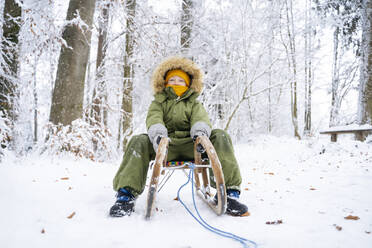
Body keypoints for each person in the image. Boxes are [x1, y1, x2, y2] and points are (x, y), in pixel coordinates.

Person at [110, 56, 248, 217]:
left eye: (180, 80)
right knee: (138, 140)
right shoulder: (158, 103)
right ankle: (125, 196)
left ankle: (229, 193)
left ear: (188, 84)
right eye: (172, 80)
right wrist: (159, 138)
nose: (176, 83)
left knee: (220, 135)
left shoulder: (194, 104)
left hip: (194, 146)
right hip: (164, 147)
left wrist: (200, 136)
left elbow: (200, 119)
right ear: (165, 83)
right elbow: (154, 119)